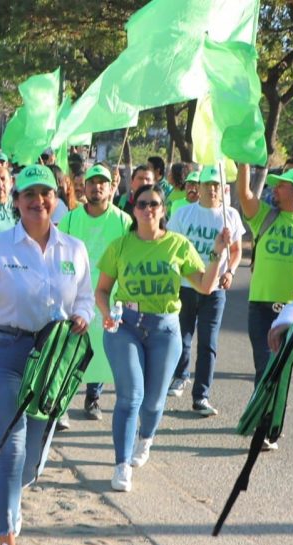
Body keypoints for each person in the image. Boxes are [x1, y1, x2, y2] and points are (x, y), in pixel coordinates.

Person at [0, 163, 93, 545]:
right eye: (29, 194)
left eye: (45, 193)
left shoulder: (74, 249)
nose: (38, 201)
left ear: (56, 198)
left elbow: (85, 295)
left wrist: (84, 313)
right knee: (12, 445)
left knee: (31, 461)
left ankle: (9, 500)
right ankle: (6, 537)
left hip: (51, 359)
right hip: (4, 353)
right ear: (16, 201)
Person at [96, 184, 229, 492]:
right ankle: (121, 465)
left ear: (163, 209)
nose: (148, 209)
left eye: (154, 203)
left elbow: (205, 286)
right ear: (133, 209)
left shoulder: (178, 245)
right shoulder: (120, 245)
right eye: (142, 204)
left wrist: (217, 253)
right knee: (130, 397)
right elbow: (101, 290)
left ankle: (146, 438)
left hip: (165, 329)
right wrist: (106, 311)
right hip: (126, 325)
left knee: (154, 401)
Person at [166, 166, 244, 415]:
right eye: (207, 184)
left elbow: (236, 252)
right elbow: (172, 249)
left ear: (223, 189)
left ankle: (201, 396)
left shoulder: (230, 216)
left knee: (208, 343)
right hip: (187, 286)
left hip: (215, 290)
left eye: (216, 185)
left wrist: (230, 272)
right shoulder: (183, 214)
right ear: (196, 188)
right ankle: (180, 376)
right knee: (183, 338)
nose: (212, 189)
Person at [58, 164, 132, 422]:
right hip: (74, 297)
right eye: (92, 182)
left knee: (101, 350)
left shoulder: (123, 220)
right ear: (84, 187)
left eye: (102, 182)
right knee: (69, 351)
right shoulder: (69, 219)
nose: (96, 187)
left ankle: (93, 398)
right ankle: (61, 402)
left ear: (111, 187)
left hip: (108, 297)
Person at [236, 164, 293, 447]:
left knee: (282, 369)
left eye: (281, 185)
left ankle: (267, 420)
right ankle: (264, 425)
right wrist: (243, 164)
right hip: (261, 307)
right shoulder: (265, 215)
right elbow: (244, 193)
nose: (274, 189)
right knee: (265, 366)